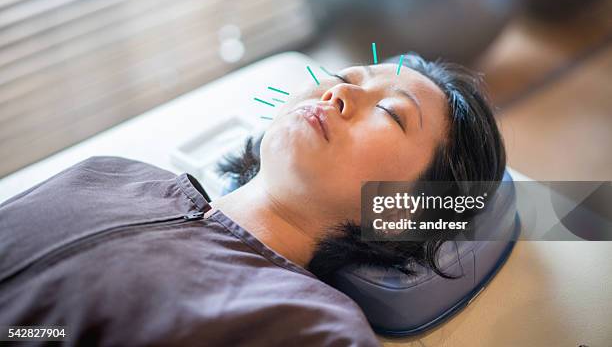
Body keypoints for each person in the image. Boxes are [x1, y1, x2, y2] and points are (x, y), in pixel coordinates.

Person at [0, 53, 505, 346]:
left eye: (393, 115)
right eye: (347, 78)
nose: (339, 94)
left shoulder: (310, 329)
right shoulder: (108, 173)